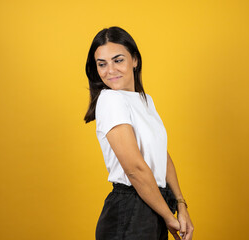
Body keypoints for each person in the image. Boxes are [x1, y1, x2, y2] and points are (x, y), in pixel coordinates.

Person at [84, 26, 194, 240]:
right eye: (102, 64)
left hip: (153, 204)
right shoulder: (110, 100)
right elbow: (134, 169)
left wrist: (181, 205)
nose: (110, 70)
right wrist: (167, 216)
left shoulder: (145, 101)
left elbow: (161, 156)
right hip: (130, 208)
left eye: (118, 60)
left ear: (134, 60)